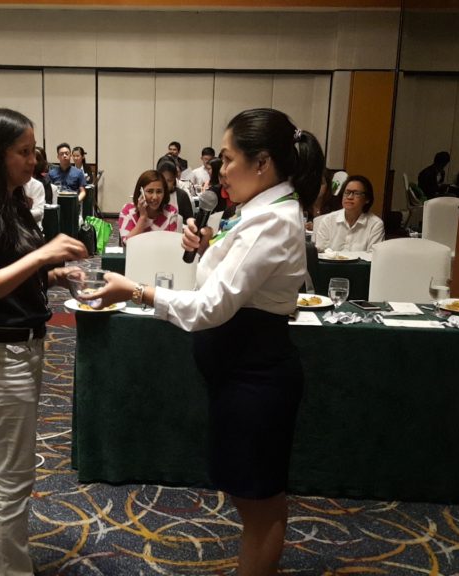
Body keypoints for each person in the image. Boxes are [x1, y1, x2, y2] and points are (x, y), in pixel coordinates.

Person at [90, 108, 325, 576]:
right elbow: (237, 279)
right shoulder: (258, 211)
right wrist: (205, 249)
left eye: (228, 158)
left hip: (255, 376)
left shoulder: (272, 220)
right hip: (241, 372)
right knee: (253, 497)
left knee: (260, 503)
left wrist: (136, 291)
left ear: (262, 163)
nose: (220, 171)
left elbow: (209, 308)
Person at [0, 108, 87, 576]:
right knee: (13, 480)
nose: (33, 161)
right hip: (0, 355)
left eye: (34, 151)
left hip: (21, 347)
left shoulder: (11, 202)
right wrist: (45, 255)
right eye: (23, 152)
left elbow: (15, 272)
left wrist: (54, 274)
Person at [312, 175, 384, 253]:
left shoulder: (375, 224)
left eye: (356, 193)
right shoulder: (328, 220)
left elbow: (374, 256)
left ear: (367, 199)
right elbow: (319, 252)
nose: (349, 197)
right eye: (347, 192)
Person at [117, 169, 179, 243]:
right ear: (141, 192)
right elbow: (127, 243)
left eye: (159, 192)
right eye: (150, 191)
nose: (155, 197)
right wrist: (143, 217)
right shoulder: (128, 210)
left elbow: (172, 243)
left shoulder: (171, 212)